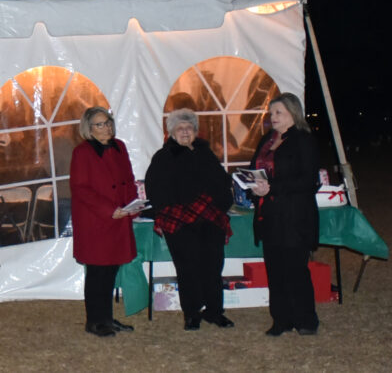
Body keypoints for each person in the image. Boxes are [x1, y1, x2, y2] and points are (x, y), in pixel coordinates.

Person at [145, 109, 234, 331]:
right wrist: (178, 208)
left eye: (189, 128)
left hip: (210, 218)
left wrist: (218, 204)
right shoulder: (162, 157)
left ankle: (214, 312)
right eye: (180, 128)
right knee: (187, 268)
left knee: (213, 266)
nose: (185, 132)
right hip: (180, 220)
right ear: (171, 133)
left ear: (195, 131)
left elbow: (222, 183)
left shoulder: (206, 153)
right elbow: (156, 189)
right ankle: (192, 314)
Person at [248, 93, 321, 336]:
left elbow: (308, 180)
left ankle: (306, 320)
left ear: (293, 113)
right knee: (275, 270)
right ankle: (281, 320)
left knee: (295, 269)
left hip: (294, 216)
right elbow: (254, 170)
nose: (273, 117)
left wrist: (273, 187)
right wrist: (253, 188)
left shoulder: (303, 140)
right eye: (271, 113)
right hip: (269, 215)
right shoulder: (267, 140)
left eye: (279, 112)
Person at [70, 106, 139, 337]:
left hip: (119, 219)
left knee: (110, 272)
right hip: (96, 222)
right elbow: (81, 189)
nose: (106, 127)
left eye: (108, 122)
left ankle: (107, 318)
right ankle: (95, 322)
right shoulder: (82, 152)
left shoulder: (120, 146)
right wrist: (109, 210)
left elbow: (128, 179)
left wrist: (133, 206)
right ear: (88, 129)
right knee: (97, 273)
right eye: (99, 124)